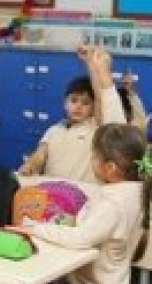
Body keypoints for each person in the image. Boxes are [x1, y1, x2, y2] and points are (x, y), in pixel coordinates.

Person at [18, 123, 152, 284]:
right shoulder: (132, 191)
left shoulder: (114, 205)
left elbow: (79, 239)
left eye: (94, 156)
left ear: (110, 168)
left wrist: (34, 229)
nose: (91, 160)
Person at [18, 45, 127, 183]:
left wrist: (91, 63)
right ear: (65, 103)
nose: (78, 106)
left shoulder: (95, 129)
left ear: (93, 108)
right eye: (74, 100)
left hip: (83, 192)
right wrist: (30, 165)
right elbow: (40, 155)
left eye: (85, 103)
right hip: (53, 191)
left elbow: (100, 98)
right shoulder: (53, 130)